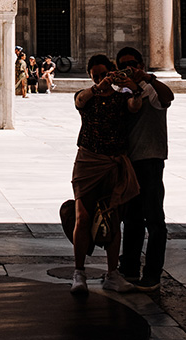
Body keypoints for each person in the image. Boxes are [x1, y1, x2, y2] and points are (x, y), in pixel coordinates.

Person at [69, 54, 142, 297]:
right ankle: (79, 273)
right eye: (95, 75)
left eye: (104, 74)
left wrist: (134, 88)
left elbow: (135, 107)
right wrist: (97, 88)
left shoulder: (122, 98)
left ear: (111, 72)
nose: (100, 78)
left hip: (114, 163)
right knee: (83, 216)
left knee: (112, 218)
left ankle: (112, 274)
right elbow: (80, 101)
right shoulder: (87, 96)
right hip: (88, 162)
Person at [115, 45, 174, 291]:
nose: (128, 68)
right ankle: (129, 268)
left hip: (150, 160)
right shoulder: (119, 91)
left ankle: (152, 273)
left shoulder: (152, 88)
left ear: (141, 64)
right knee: (131, 218)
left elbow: (167, 98)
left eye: (133, 64)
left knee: (155, 219)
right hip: (128, 163)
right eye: (123, 65)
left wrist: (147, 78)